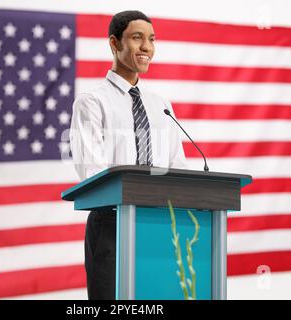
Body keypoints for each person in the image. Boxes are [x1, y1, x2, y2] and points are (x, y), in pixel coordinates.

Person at [69, 10, 187, 300]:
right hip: (112, 225)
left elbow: (179, 169)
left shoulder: (162, 106)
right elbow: (92, 174)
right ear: (114, 43)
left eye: (151, 39)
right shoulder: (91, 103)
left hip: (158, 225)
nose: (147, 47)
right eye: (137, 38)